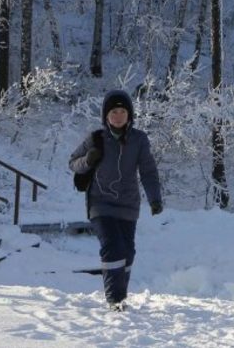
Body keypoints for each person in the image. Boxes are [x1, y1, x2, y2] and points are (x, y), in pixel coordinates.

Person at [69, 89, 163, 311]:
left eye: (122, 111)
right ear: (106, 116)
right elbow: (73, 162)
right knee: (113, 247)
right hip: (100, 203)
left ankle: (120, 295)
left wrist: (155, 199)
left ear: (129, 115)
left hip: (128, 204)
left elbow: (148, 171)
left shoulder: (139, 140)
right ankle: (115, 300)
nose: (118, 116)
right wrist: (88, 160)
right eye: (113, 112)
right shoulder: (96, 138)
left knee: (127, 251)